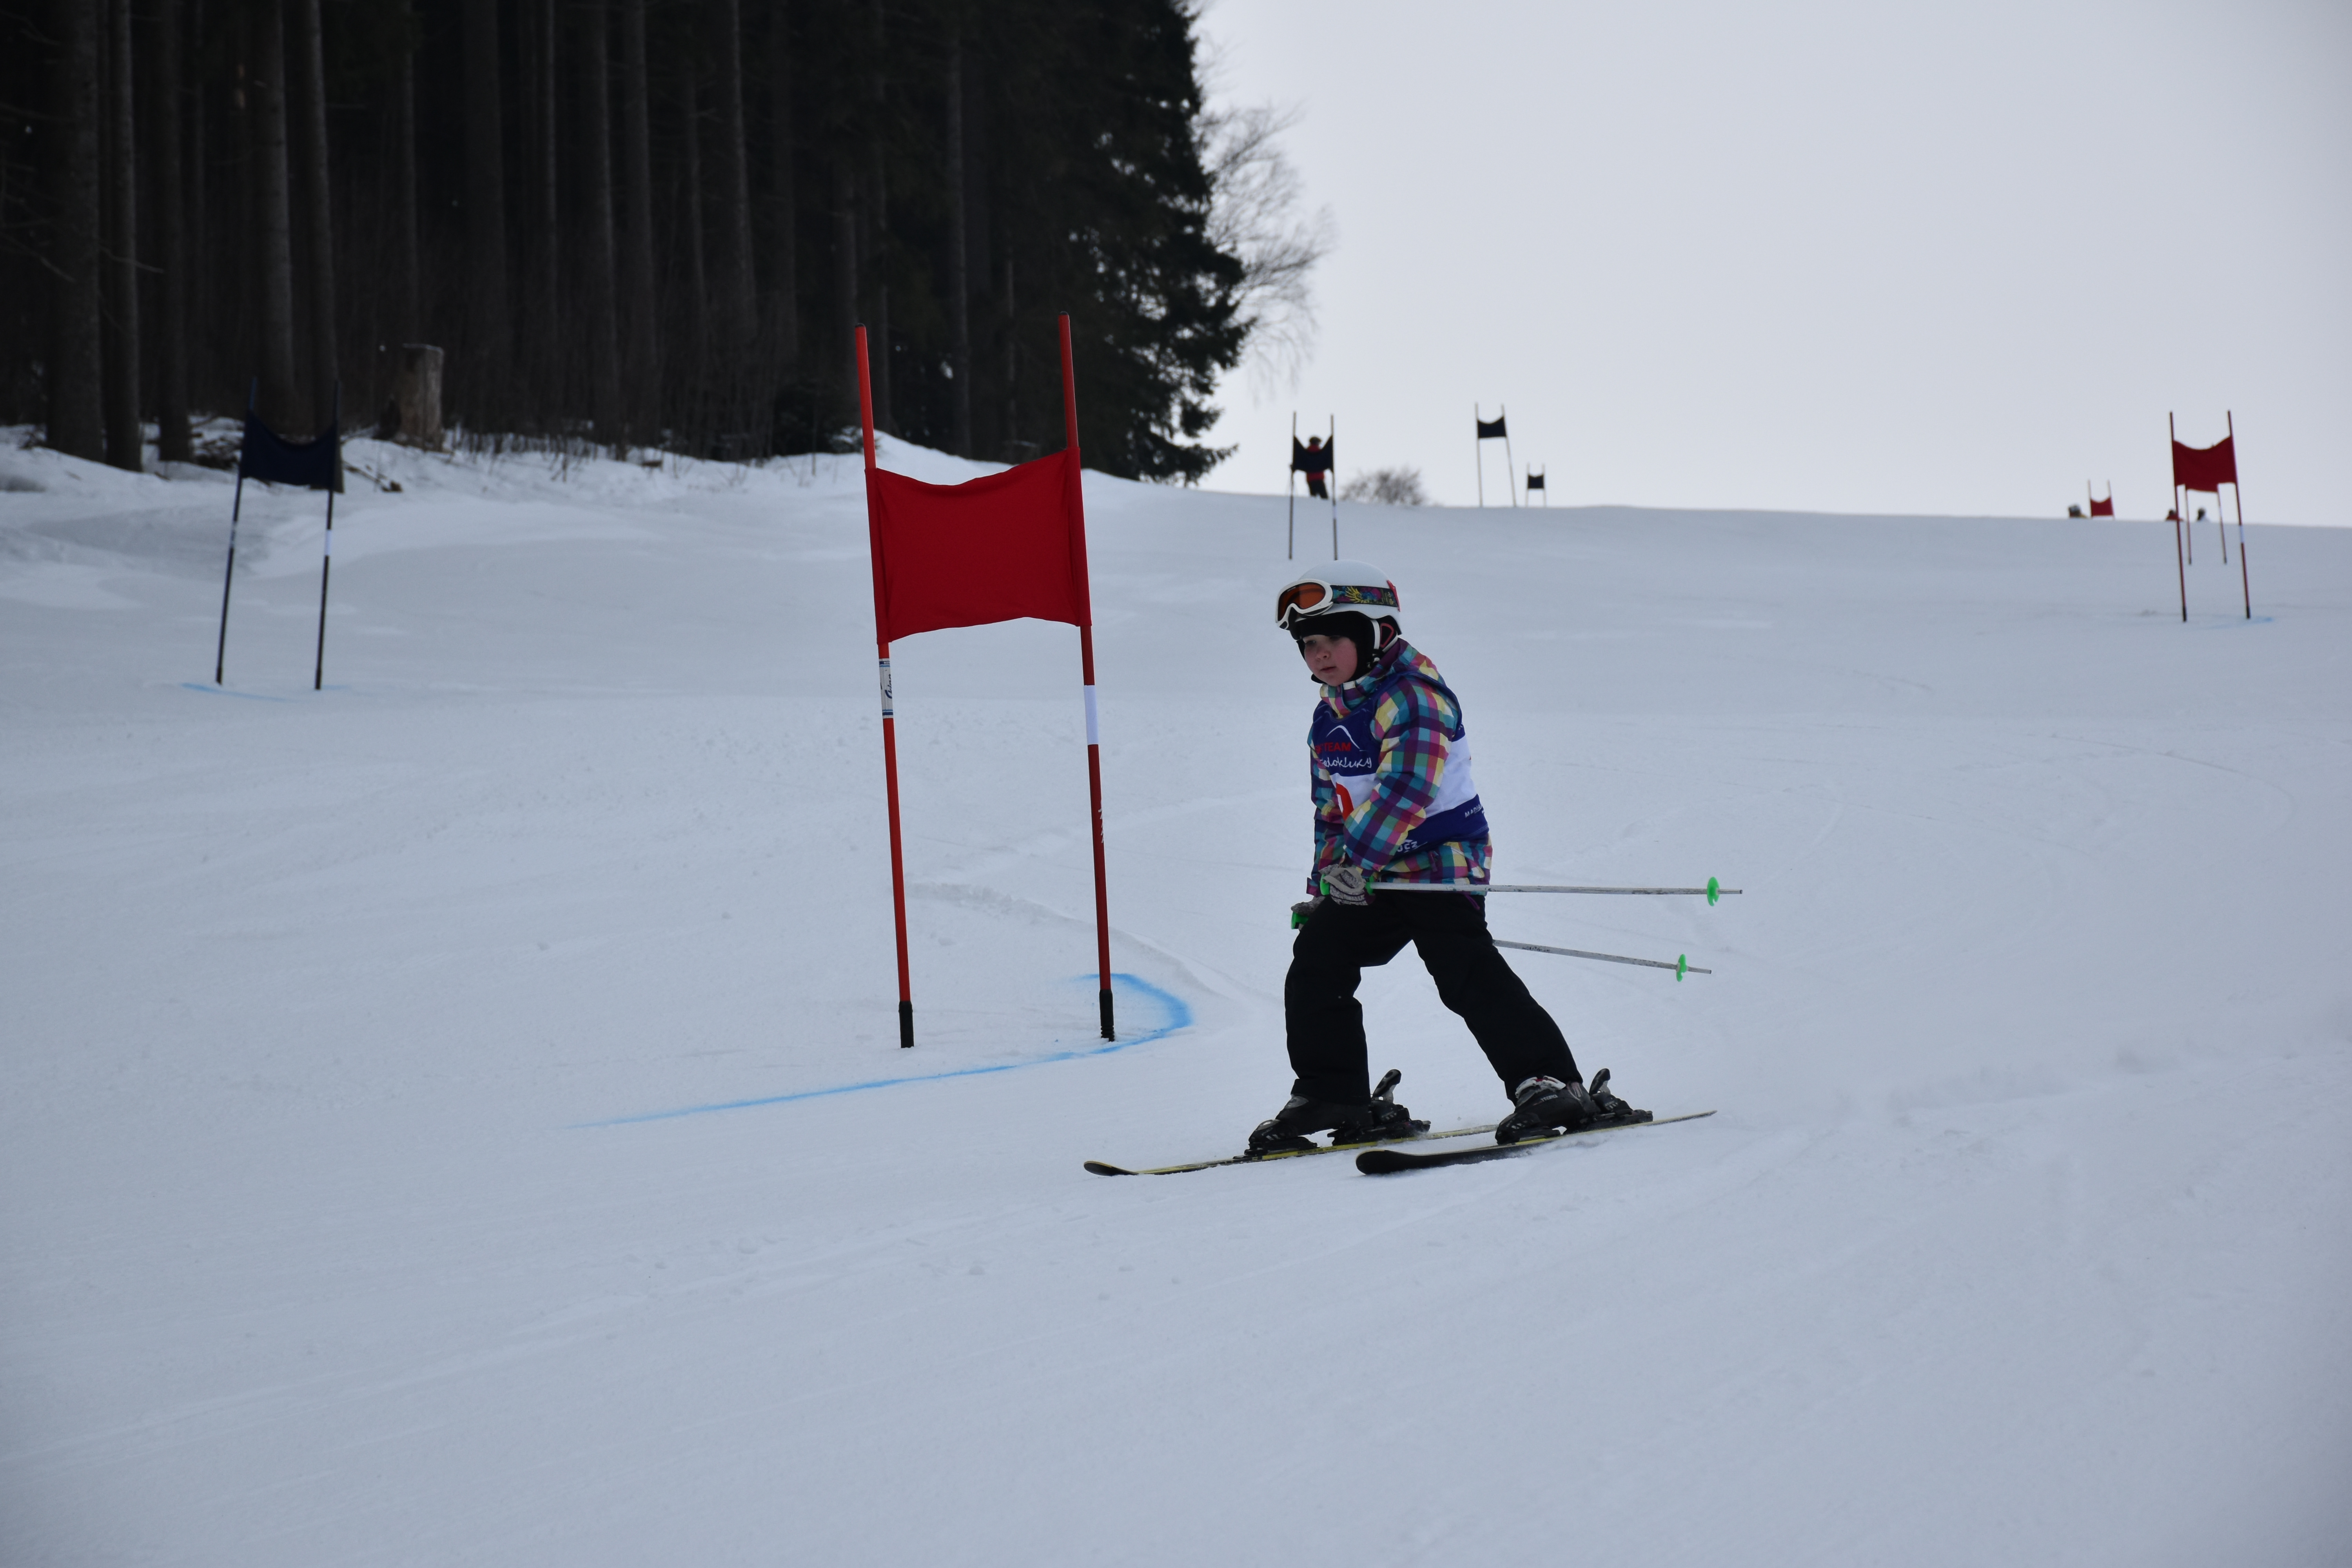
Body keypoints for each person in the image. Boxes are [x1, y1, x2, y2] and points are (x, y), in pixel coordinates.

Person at [1249, 561, 1644, 1154]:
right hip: (1374, 873)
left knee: (1463, 969)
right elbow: (1331, 810)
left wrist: (1356, 865)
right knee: (1318, 958)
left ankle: (1548, 1082)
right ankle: (1332, 1093)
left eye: (1332, 638)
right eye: (1308, 644)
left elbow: (1407, 789)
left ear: (1376, 633)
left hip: (1439, 865)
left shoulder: (1414, 696)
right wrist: (1327, 885)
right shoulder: (1329, 717)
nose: (1320, 654)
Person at [1301, 435, 1330, 500]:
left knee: (1313, 496)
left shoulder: (1306, 453)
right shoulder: (1321, 453)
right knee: (1324, 497)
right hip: (1319, 477)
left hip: (1310, 478)